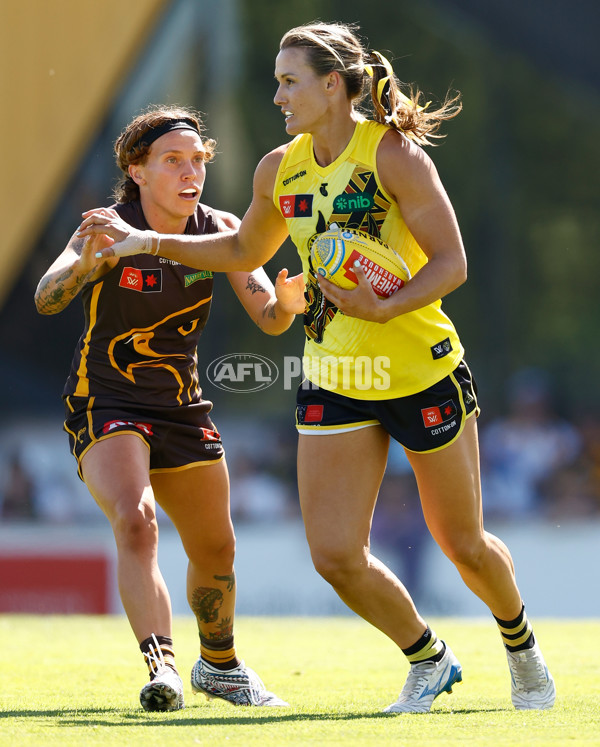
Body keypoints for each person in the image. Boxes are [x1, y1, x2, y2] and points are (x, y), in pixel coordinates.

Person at [77, 23, 556, 713]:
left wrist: (384, 305)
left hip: (422, 370)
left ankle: (522, 647)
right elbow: (242, 249)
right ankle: (429, 659)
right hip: (334, 377)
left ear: (333, 85)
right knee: (334, 555)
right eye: (276, 80)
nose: (277, 95)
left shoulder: (394, 155)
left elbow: (453, 264)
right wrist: (146, 240)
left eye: (289, 81)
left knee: (465, 544)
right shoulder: (279, 169)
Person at [35, 105, 303, 711]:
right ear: (138, 169)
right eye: (173, 161)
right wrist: (84, 267)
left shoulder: (223, 227)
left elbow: (267, 316)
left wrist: (286, 304)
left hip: (182, 408)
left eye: (198, 162)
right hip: (104, 398)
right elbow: (47, 297)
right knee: (137, 519)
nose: (191, 174)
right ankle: (164, 668)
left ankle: (222, 667)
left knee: (217, 548)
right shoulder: (105, 226)